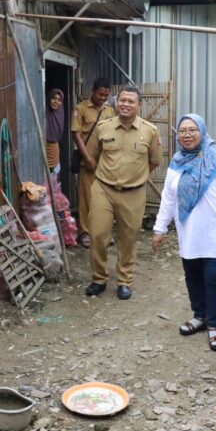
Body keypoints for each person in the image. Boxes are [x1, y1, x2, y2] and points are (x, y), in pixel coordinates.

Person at [151, 114, 216, 351]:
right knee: (192, 275)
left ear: (202, 131)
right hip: (189, 232)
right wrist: (159, 228)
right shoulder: (176, 162)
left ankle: (214, 325)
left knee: (214, 278)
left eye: (192, 130)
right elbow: (168, 199)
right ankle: (200, 316)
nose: (188, 135)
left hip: (215, 233)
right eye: (183, 131)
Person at [84, 86, 162, 300]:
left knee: (128, 238)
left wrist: (135, 177)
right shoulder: (103, 127)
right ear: (116, 103)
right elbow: (94, 155)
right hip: (104, 189)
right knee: (98, 235)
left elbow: (154, 161)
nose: (126, 104)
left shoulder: (150, 131)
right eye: (122, 100)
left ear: (139, 105)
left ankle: (124, 281)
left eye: (131, 101)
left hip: (133, 193)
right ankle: (99, 278)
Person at [71, 77, 115, 248]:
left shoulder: (110, 111)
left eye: (106, 95)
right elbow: (76, 135)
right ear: (92, 91)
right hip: (87, 163)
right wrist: (87, 158)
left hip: (106, 163)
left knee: (106, 200)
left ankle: (103, 232)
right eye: (100, 94)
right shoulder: (81, 109)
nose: (103, 98)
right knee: (87, 198)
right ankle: (85, 233)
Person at [45, 88, 65, 175]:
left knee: (54, 174)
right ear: (49, 99)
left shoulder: (60, 113)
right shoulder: (44, 111)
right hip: (43, 146)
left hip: (54, 148)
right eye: (54, 98)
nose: (56, 102)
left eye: (59, 100)